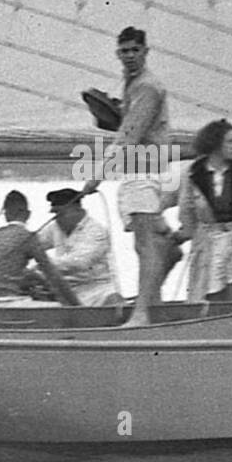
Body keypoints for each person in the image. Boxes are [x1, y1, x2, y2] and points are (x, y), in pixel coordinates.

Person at [82, 27, 176, 326]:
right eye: (125, 51)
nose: (130, 56)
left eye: (136, 50)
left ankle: (142, 314)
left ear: (146, 52)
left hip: (144, 170)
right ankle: (155, 301)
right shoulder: (134, 84)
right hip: (150, 170)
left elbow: (129, 136)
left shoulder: (146, 86)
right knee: (155, 241)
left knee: (144, 244)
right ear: (117, 54)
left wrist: (96, 176)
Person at [176, 120, 232, 302]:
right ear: (215, 143)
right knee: (209, 290)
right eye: (230, 142)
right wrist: (186, 232)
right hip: (208, 240)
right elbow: (186, 209)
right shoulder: (193, 173)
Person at [0, 190, 80, 306]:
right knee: (59, 308)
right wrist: (77, 306)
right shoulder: (27, 237)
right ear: (28, 214)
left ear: (5, 215)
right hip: (7, 303)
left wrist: (39, 279)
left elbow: (4, 270)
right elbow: (53, 275)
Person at [36, 189, 121, 306]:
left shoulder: (96, 231)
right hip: (65, 289)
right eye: (55, 214)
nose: (57, 218)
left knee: (111, 299)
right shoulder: (54, 227)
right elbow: (34, 244)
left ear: (77, 210)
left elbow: (80, 262)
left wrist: (42, 264)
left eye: (61, 213)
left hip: (96, 290)